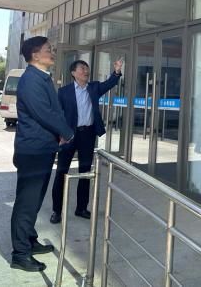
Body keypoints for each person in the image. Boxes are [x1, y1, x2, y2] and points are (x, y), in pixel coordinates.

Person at [10, 36, 74, 272]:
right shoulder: (31, 80)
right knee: (26, 204)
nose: (53, 52)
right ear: (35, 55)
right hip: (33, 151)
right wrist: (67, 132)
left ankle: (29, 240)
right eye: (49, 49)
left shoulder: (41, 77)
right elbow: (44, 113)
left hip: (43, 148)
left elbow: (52, 112)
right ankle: (20, 254)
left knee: (35, 201)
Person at [50, 58, 122, 224]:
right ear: (73, 73)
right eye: (82, 68)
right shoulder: (64, 92)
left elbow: (110, 83)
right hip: (68, 136)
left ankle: (81, 208)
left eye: (87, 68)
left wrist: (117, 71)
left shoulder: (94, 88)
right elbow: (57, 115)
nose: (86, 71)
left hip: (87, 135)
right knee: (61, 173)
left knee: (85, 173)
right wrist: (59, 135)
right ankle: (56, 211)